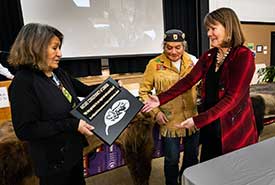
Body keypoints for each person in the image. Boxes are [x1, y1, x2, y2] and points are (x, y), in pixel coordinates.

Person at [142, 7, 258, 163]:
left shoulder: (243, 56)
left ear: (228, 27)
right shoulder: (210, 55)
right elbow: (189, 80)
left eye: (213, 28)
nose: (209, 33)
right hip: (211, 124)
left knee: (231, 169)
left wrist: (198, 120)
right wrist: (160, 99)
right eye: (208, 29)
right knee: (208, 168)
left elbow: (233, 98)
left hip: (232, 126)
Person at [8, 23, 98, 185]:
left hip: (73, 153)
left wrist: (112, 87)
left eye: (59, 48)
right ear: (36, 48)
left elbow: (85, 90)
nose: (60, 54)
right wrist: (72, 124)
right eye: (54, 48)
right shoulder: (23, 82)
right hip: (53, 163)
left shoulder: (57, 73)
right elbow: (26, 130)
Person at [139, 29, 199, 185]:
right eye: (169, 47)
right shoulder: (154, 64)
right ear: (164, 46)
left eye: (178, 47)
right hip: (169, 121)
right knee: (172, 159)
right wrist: (155, 113)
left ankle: (186, 180)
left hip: (192, 118)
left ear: (184, 46)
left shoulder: (193, 61)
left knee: (192, 156)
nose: (173, 52)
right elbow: (143, 93)